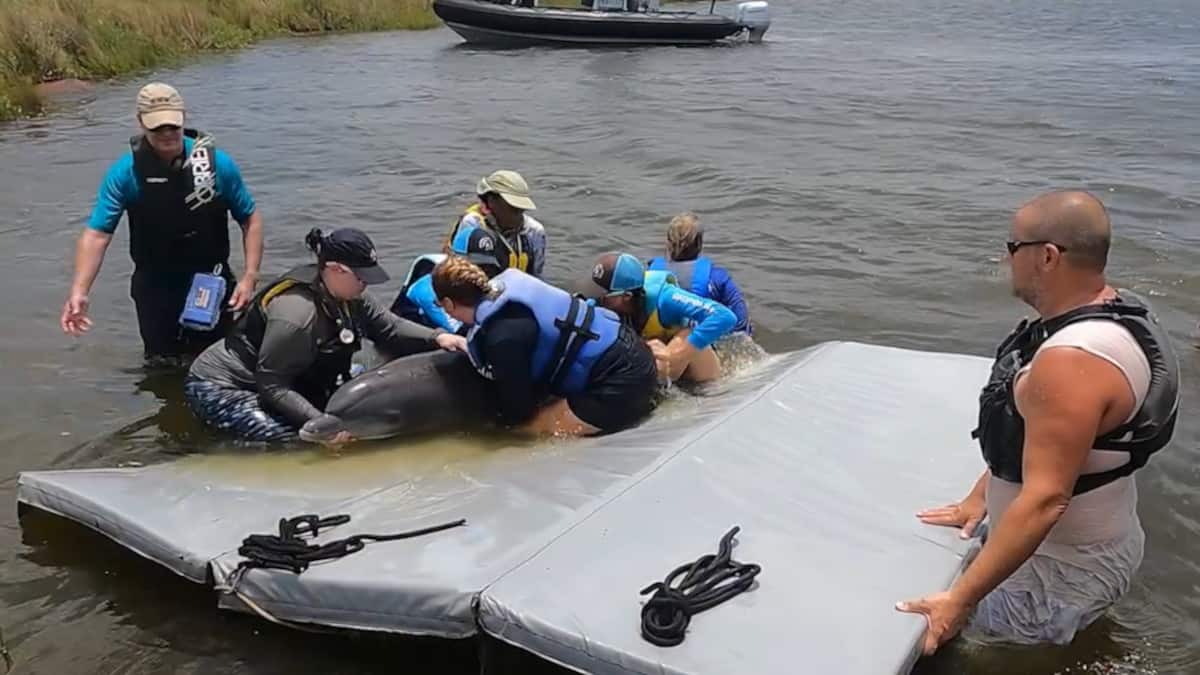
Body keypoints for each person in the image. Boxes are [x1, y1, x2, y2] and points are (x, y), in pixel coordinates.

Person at [897, 191, 1180, 652]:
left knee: (907, 631)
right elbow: (1047, 438)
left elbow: (1047, 499)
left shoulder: (1070, 361)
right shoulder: (1116, 311)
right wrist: (980, 497)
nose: (1004, 258)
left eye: (1013, 247)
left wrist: (958, 602)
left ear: (1047, 257)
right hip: (1097, 550)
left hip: (1055, 581)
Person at [185, 228, 466, 444]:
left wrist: (439, 337)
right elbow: (272, 384)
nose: (366, 283)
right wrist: (323, 425)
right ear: (334, 269)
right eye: (361, 277)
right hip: (226, 387)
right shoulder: (296, 315)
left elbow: (388, 328)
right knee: (300, 442)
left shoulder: (350, 295)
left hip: (283, 377)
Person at [61, 82, 264, 366]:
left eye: (173, 125)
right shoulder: (125, 173)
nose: (167, 134)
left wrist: (250, 275)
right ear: (141, 124)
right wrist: (79, 291)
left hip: (211, 280)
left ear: (184, 117)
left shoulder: (217, 165)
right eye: (157, 128)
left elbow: (249, 218)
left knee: (220, 363)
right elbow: (97, 235)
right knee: (163, 367)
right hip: (155, 285)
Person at [433, 257, 658, 437]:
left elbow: (520, 410)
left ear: (448, 304)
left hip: (625, 383)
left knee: (523, 432)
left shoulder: (502, 338)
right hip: (631, 347)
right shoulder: (509, 283)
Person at [590, 252, 736, 384]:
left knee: (685, 336)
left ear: (626, 297)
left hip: (690, 363)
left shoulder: (666, 298)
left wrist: (677, 354)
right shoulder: (597, 304)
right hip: (650, 361)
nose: (596, 299)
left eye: (604, 296)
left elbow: (724, 316)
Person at [647, 212, 752, 334]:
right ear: (699, 244)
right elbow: (740, 319)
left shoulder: (651, 275)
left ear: (668, 242)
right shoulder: (716, 278)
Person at [391, 227, 505, 335]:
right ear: (453, 258)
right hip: (404, 346)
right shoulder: (429, 287)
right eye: (473, 265)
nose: (477, 272)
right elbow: (459, 331)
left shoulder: (480, 281)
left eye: (487, 268)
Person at [444, 170, 546, 278]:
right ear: (491, 200)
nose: (518, 214)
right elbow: (462, 275)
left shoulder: (534, 231)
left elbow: (537, 275)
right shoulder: (473, 224)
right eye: (513, 208)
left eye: (521, 209)